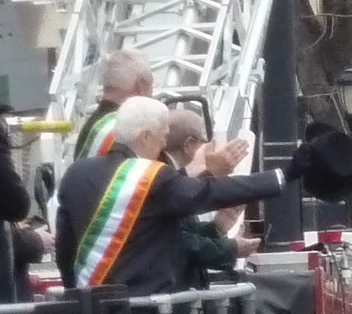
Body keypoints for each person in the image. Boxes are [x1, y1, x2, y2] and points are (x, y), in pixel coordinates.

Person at [52, 95, 291, 299]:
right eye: (161, 135)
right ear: (145, 136)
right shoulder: (152, 177)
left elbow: (65, 248)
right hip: (146, 310)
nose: (165, 142)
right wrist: (279, 177)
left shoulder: (76, 173)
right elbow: (206, 198)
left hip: (90, 309)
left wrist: (74, 294)